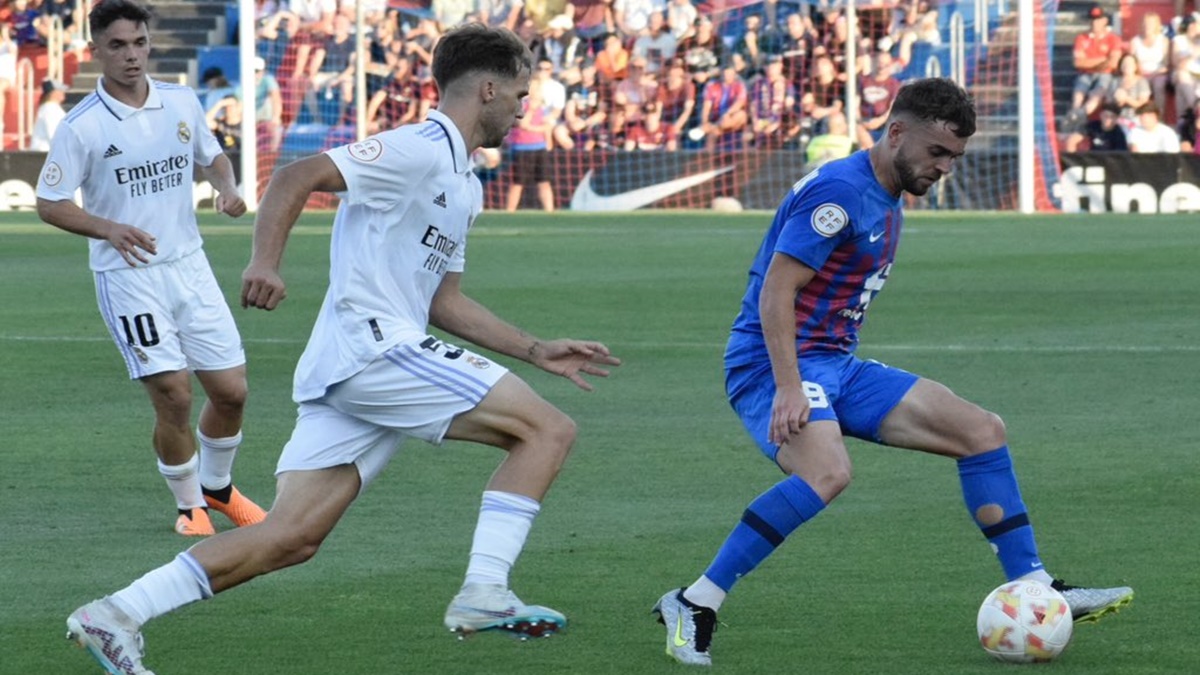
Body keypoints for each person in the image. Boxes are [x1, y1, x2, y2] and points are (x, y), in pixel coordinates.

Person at [64, 23, 621, 675]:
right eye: (521, 94)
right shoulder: (419, 146)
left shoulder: (464, 182)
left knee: (292, 536)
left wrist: (536, 348)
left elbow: (444, 302)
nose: (524, 108)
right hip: (373, 347)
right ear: (489, 88)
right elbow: (298, 174)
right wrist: (265, 262)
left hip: (356, 364)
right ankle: (484, 590)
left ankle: (115, 612)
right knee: (547, 430)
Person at [651, 77, 1134, 668]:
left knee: (981, 431)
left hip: (834, 364)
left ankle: (1036, 588)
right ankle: (694, 601)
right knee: (827, 472)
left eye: (954, 158)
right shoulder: (840, 194)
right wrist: (785, 386)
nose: (944, 169)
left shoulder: (886, 191)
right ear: (897, 131)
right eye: (936, 153)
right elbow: (775, 293)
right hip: (771, 362)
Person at [35, 0, 266, 539]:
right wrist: (107, 228)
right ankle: (190, 507)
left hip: (190, 267)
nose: (131, 55)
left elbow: (212, 157)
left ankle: (218, 486)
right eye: (117, 45)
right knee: (175, 394)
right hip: (129, 276)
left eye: (139, 43)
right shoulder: (81, 126)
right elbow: (50, 202)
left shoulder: (181, 102)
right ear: (96, 51)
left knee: (232, 392)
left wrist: (226, 188)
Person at [30, 78, 68, 151]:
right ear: (53, 93)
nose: (63, 92)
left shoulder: (50, 108)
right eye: (60, 90)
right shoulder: (50, 109)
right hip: (44, 154)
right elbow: (53, 134)